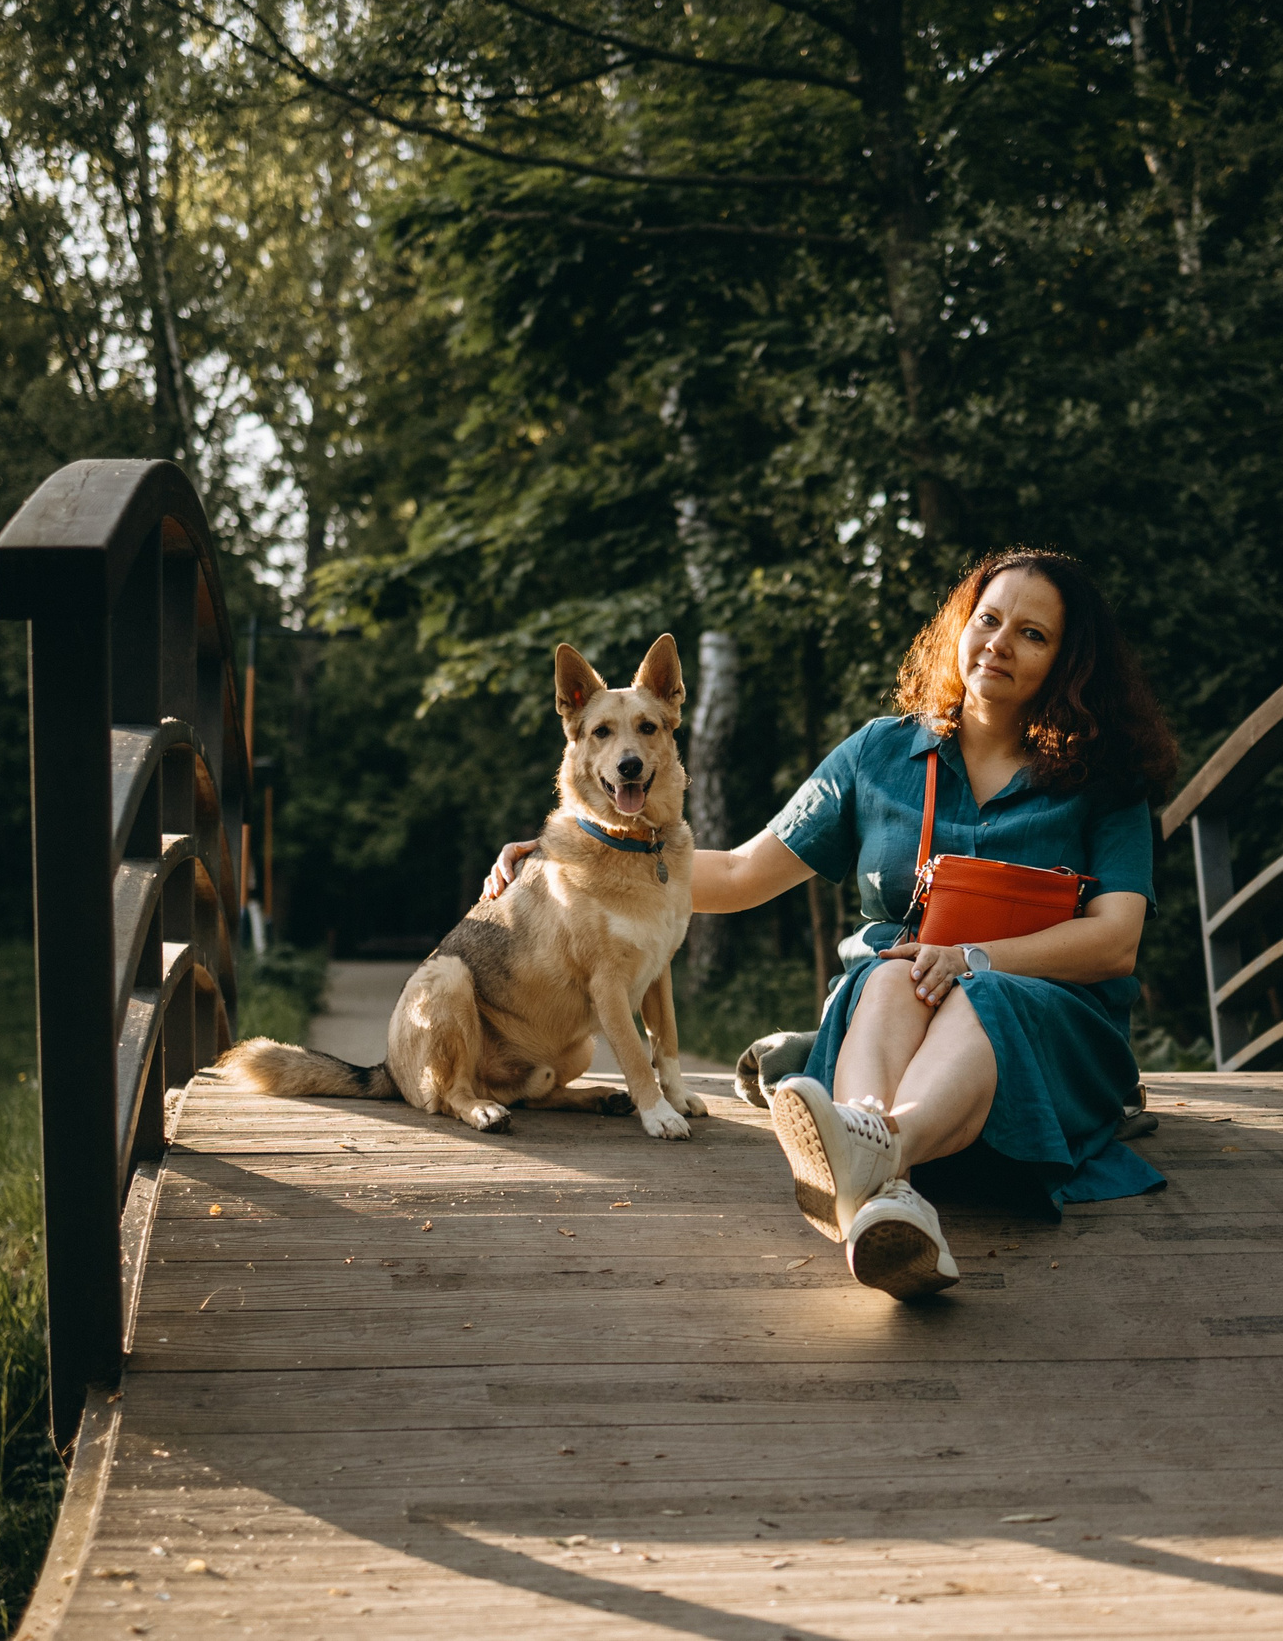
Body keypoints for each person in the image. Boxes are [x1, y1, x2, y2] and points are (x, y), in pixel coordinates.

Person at [482, 549, 1180, 1299]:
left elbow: (1116, 941)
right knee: (886, 972)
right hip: (896, 1013)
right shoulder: (880, 754)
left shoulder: (1103, 778)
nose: (1000, 642)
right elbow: (743, 872)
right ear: (962, 626)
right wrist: (576, 855)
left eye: (1032, 634)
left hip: (1048, 1025)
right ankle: (890, 1190)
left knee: (981, 993)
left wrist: (974, 957)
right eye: (988, 618)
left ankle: (875, 1153)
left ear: (1070, 661)